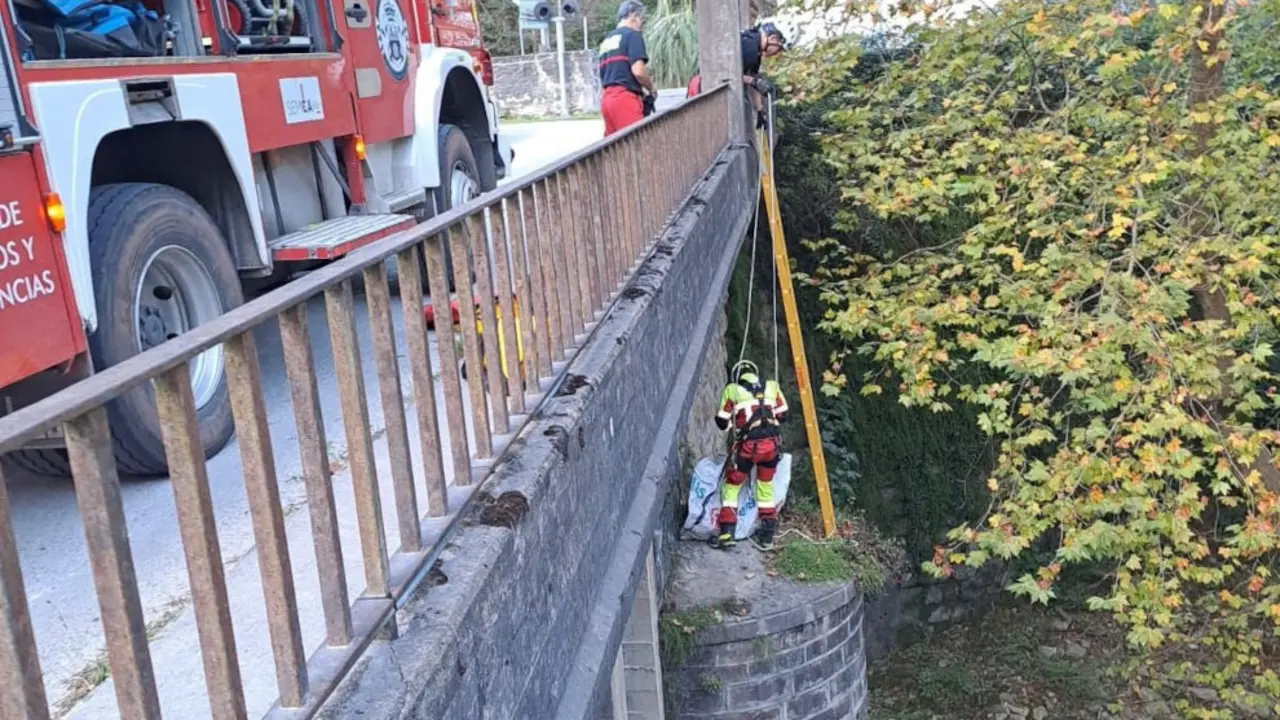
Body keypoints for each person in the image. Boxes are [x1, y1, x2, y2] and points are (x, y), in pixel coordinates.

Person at [711, 361, 789, 551]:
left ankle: (727, 532)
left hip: (748, 448)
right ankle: (767, 536)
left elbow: (722, 422)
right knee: (765, 487)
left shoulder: (732, 390)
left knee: (732, 484)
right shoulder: (772, 386)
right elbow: (784, 415)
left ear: (739, 377)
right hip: (772, 447)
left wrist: (735, 423)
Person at [685, 21, 787, 130]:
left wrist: (760, 110)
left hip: (707, 83)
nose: (776, 53)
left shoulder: (754, 45)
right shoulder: (750, 48)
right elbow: (729, 73)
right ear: (772, 39)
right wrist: (753, 81)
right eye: (778, 48)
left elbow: (753, 76)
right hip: (706, 86)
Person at [598, 0, 657, 136]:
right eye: (641, 19)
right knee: (637, 144)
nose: (641, 24)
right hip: (625, 98)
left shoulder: (606, 41)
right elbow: (638, 71)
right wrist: (651, 89)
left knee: (615, 149)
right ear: (633, 16)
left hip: (606, 100)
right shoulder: (632, 35)